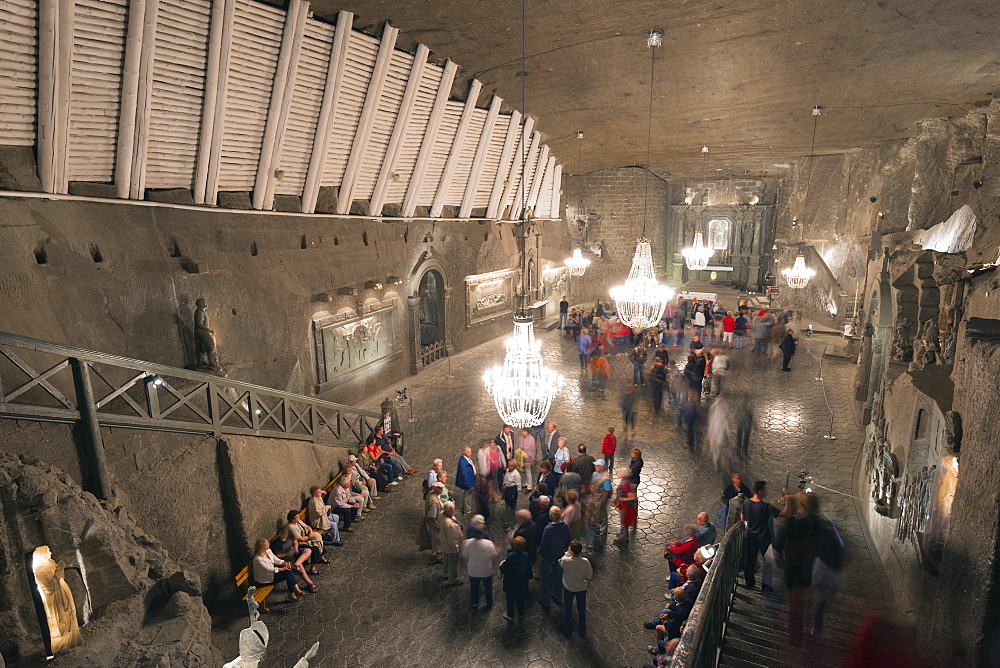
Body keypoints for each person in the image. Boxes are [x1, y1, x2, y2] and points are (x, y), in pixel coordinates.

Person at [741, 480, 787, 589]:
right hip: (764, 539)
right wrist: (787, 500)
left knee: (750, 561)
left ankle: (749, 583)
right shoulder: (766, 507)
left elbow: (743, 518)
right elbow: (785, 514)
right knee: (768, 563)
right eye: (766, 489)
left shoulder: (746, 503)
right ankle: (765, 586)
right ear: (760, 491)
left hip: (751, 536)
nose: (767, 491)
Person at [252, 538, 305, 605]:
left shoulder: (268, 551)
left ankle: (294, 591)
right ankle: (294, 591)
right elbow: (268, 569)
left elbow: (276, 560)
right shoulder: (258, 559)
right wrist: (282, 569)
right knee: (287, 572)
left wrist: (284, 563)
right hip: (265, 579)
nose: (269, 544)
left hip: (272, 573)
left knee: (288, 571)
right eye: (266, 544)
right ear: (262, 547)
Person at [538, 506, 572, 610]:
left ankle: (546, 601)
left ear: (551, 516)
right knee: (559, 576)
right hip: (560, 555)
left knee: (545, 578)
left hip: (548, 556)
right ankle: (557, 596)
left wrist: (541, 552)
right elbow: (568, 540)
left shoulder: (548, 529)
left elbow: (544, 544)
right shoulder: (565, 525)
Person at [460, 525, 499, 611]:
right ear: (482, 534)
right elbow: (494, 556)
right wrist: (492, 565)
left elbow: (464, 557)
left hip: (473, 570)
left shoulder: (467, 543)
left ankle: (474, 603)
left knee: (474, 587)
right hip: (486, 570)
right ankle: (489, 602)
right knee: (488, 587)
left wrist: (464, 566)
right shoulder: (488, 543)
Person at [559, 540, 593, 637]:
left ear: (571, 550)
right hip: (581, 589)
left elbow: (560, 561)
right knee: (581, 609)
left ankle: (567, 629)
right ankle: (582, 630)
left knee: (568, 609)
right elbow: (589, 576)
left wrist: (567, 553)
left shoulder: (566, 561)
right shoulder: (585, 562)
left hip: (569, 588)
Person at [500, 536, 532, 622]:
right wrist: (529, 578)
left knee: (510, 599)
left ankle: (511, 615)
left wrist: (502, 564)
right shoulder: (526, 555)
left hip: (510, 582)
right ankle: (521, 614)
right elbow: (529, 568)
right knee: (520, 599)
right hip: (522, 582)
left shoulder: (511, 556)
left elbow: (504, 568)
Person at [588, 459, 613, 550]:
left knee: (602, 514)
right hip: (594, 497)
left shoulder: (605, 478)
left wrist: (604, 500)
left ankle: (603, 529)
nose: (595, 467)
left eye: (597, 466)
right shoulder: (595, 473)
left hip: (600, 499)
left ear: (602, 467)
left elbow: (608, 490)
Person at [439, 501, 464, 587]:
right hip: (451, 547)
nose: (454, 511)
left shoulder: (442, 514)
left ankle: (445, 573)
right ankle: (452, 580)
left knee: (446, 560)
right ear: (446, 511)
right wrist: (456, 550)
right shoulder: (448, 523)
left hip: (444, 544)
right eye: (452, 510)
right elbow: (452, 539)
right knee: (453, 563)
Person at [419, 482, 445, 562]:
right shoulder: (434, 503)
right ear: (436, 490)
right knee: (438, 540)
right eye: (440, 489)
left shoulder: (431, 493)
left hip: (433, 522)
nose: (442, 490)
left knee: (434, 539)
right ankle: (438, 557)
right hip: (436, 524)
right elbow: (432, 515)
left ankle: (434, 552)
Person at [613, 468, 638, 544]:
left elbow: (633, 497)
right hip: (624, 506)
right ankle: (623, 535)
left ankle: (622, 538)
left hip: (625, 507)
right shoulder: (626, 482)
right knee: (624, 522)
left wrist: (622, 499)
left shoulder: (625, 485)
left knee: (624, 523)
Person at [455, 446, 478, 515]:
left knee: (467, 495)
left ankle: (465, 507)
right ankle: (467, 511)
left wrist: (474, 466)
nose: (471, 454)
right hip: (469, 481)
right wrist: (469, 485)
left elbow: (471, 461)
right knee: (467, 496)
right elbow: (464, 475)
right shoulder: (462, 462)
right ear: (464, 453)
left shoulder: (467, 458)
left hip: (471, 479)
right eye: (469, 452)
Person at [502, 459, 522, 524]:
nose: (509, 467)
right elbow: (505, 478)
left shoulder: (516, 474)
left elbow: (519, 485)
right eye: (509, 465)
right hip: (507, 490)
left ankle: (512, 521)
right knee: (507, 505)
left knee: (512, 507)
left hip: (512, 491)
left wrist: (514, 494)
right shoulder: (507, 470)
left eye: (511, 466)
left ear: (514, 466)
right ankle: (507, 518)